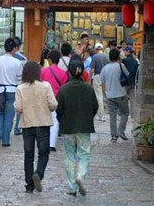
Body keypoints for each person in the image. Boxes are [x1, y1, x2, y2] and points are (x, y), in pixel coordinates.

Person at [57, 58, 98, 196]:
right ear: (82, 73)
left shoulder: (63, 89)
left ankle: (71, 187)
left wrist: (61, 120)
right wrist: (87, 117)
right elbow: (95, 107)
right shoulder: (89, 88)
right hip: (84, 126)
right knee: (84, 154)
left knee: (69, 156)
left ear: (69, 72)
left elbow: (59, 109)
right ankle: (80, 175)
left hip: (68, 127)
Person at [15, 61, 58, 193]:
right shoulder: (45, 86)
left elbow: (18, 108)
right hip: (43, 123)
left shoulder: (20, 88)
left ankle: (29, 184)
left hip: (27, 124)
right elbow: (53, 104)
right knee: (43, 152)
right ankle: (38, 174)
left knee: (28, 154)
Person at [0, 37, 23, 147]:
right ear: (14, 49)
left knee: (1, 113)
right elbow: (19, 80)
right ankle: (6, 140)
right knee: (9, 115)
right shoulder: (17, 62)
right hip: (12, 90)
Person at [100, 48, 130, 142]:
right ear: (118, 57)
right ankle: (121, 130)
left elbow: (103, 83)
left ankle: (114, 136)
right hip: (121, 93)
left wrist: (104, 95)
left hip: (110, 95)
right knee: (125, 113)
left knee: (112, 116)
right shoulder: (121, 66)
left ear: (109, 57)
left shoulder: (105, 68)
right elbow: (128, 75)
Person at [41, 49, 68, 152]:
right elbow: (64, 87)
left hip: (44, 99)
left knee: (44, 120)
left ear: (49, 59)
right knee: (55, 121)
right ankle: (52, 144)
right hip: (57, 99)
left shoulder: (42, 71)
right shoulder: (63, 73)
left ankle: (43, 141)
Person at [89, 43, 110, 120]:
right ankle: (105, 111)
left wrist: (89, 79)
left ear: (95, 49)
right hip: (106, 76)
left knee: (98, 95)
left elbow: (92, 70)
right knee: (105, 94)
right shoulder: (107, 57)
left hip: (98, 76)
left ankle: (101, 114)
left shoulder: (95, 57)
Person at [11, 37, 27, 135]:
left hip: (6, 86)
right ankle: (17, 128)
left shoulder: (3, 58)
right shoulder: (23, 59)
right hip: (19, 86)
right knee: (18, 107)